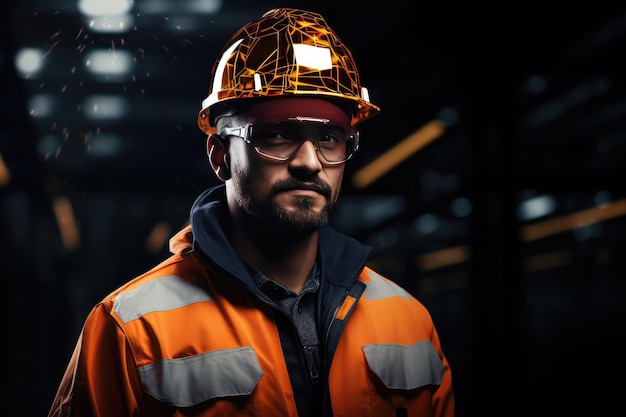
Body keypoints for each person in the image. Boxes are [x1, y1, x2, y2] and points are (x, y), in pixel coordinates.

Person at [48, 8, 455, 417]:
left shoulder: (408, 322)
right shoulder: (132, 331)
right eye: (278, 135)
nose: (310, 163)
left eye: (329, 137)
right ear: (221, 156)